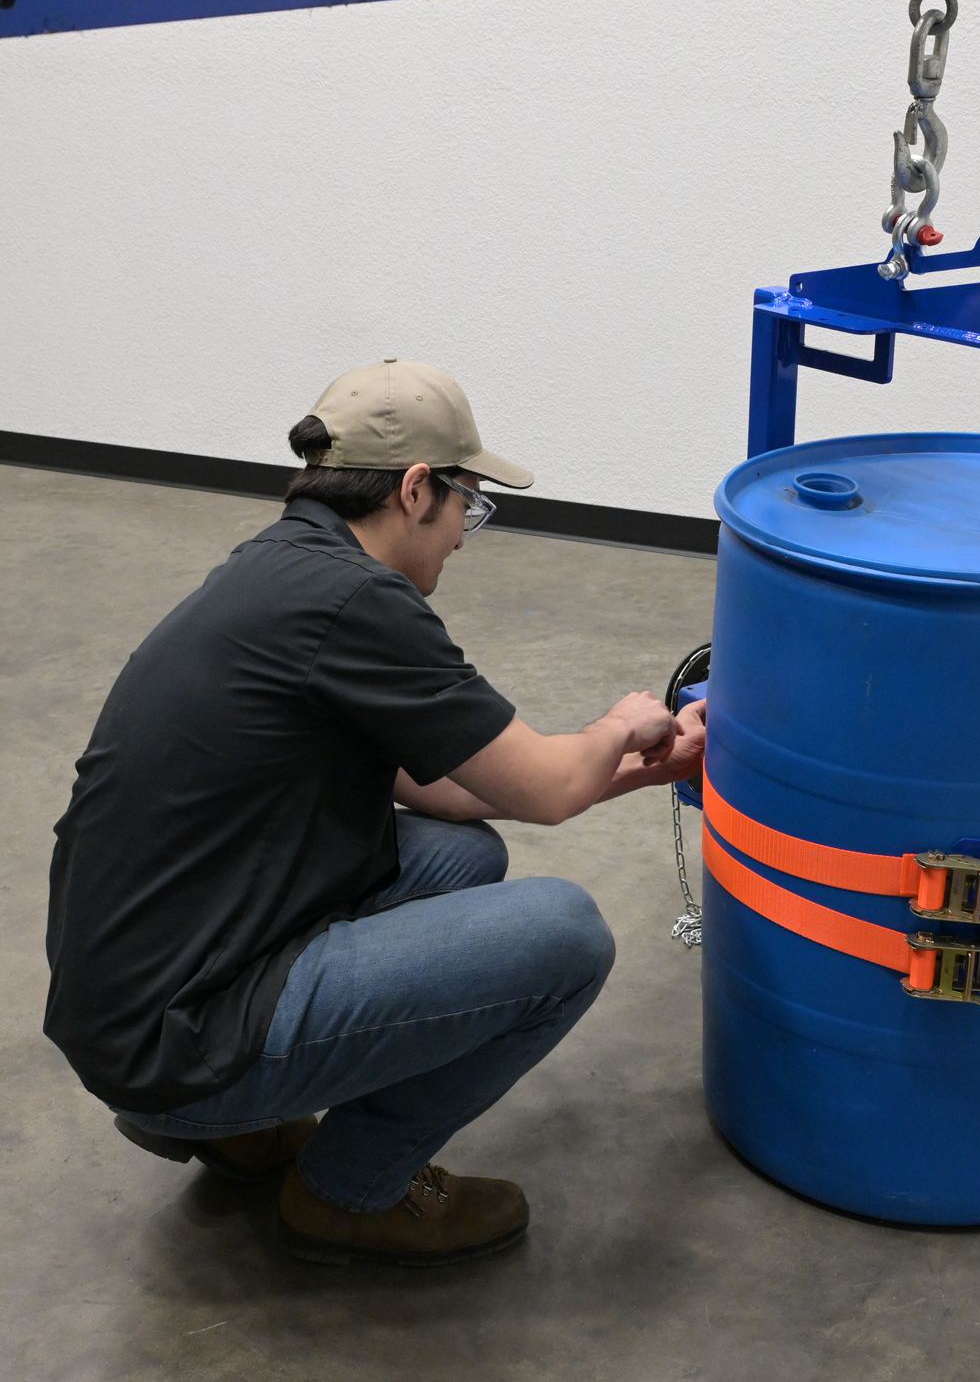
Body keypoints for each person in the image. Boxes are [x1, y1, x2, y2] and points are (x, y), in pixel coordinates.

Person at [43, 357, 707, 1268]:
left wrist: (644, 767)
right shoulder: (358, 603)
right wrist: (623, 723)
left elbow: (454, 786)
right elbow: (549, 788)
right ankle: (349, 1193)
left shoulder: (277, 570)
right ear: (414, 488)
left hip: (132, 995)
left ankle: (245, 1127)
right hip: (174, 1044)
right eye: (467, 505)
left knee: (462, 857)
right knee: (565, 935)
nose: (465, 535)